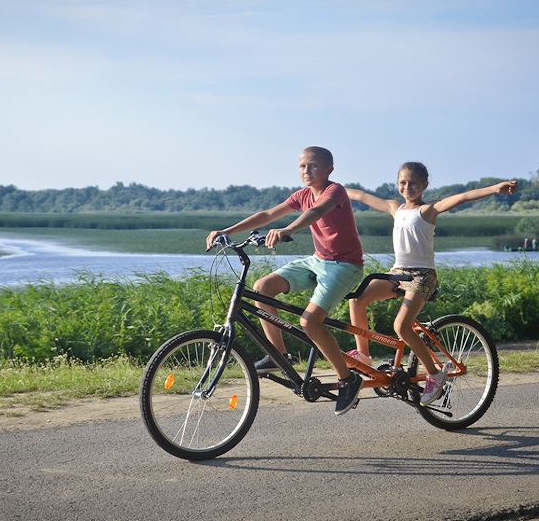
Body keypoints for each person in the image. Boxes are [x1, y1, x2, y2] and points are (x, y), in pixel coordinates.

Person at [206, 146, 365, 415]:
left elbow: (316, 212)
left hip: (345, 265)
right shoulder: (301, 195)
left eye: (313, 166)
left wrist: (289, 229)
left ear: (329, 169)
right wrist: (227, 231)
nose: (306, 170)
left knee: (310, 321)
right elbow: (268, 215)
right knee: (262, 288)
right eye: (302, 166)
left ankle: (348, 379)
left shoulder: (334, 191)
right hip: (318, 260)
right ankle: (278, 356)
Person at [346, 162, 517, 406]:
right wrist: (332, 188)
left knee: (401, 326)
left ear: (425, 185)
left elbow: (462, 197)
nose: (407, 187)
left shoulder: (428, 210)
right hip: (399, 272)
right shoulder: (395, 208)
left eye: (413, 183)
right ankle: (363, 355)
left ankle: (436, 375)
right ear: (397, 185)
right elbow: (361, 196)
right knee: (357, 298)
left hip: (422, 276)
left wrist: (494, 189)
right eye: (403, 183)